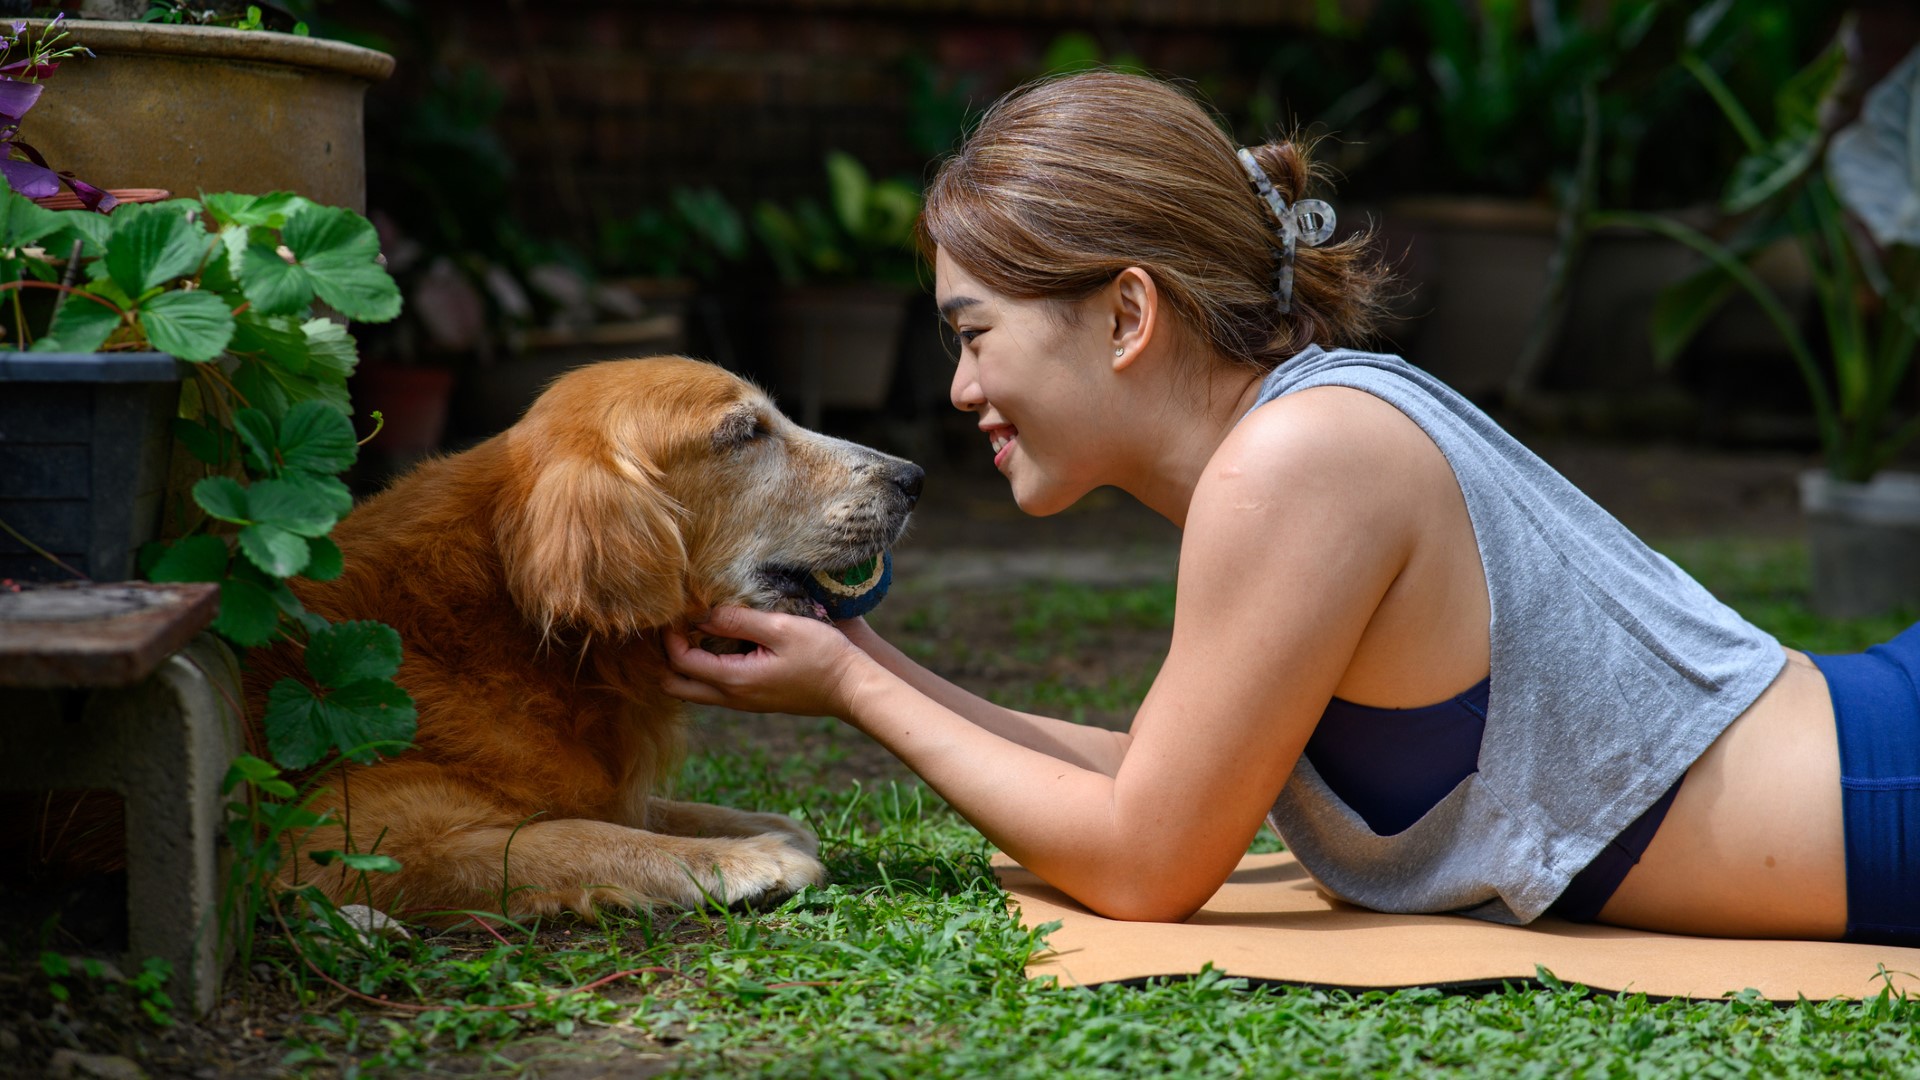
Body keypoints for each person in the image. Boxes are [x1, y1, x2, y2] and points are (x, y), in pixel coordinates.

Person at [664, 69, 1918, 947]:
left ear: (1127, 315)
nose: (961, 390)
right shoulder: (1292, 445)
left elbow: (1148, 861)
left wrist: (853, 692)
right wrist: (863, 657)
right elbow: (1160, 784)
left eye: (976, 335)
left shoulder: (1298, 460)